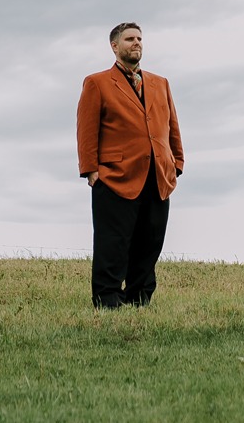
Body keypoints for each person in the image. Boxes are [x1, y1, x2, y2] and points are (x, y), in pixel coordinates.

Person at [76, 22, 184, 308]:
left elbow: (172, 125)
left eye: (139, 38)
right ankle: (108, 300)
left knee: (150, 242)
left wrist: (177, 163)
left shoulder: (160, 83)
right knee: (113, 242)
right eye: (129, 39)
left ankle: (139, 298)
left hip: (158, 175)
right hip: (114, 177)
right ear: (115, 46)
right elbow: (86, 129)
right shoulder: (97, 82)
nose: (136, 43)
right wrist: (91, 170)